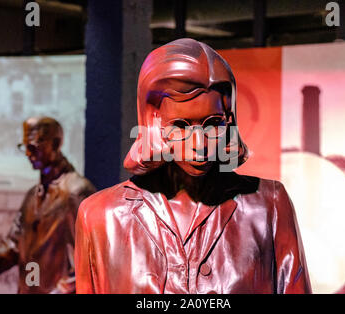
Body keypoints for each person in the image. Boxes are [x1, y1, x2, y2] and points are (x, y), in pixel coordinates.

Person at [75, 38, 311, 294]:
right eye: (181, 126)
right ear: (153, 120)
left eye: (213, 123)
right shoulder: (100, 216)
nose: (200, 145)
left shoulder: (269, 205)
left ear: (229, 120)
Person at [0, 117, 96, 294]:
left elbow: (90, 258)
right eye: (24, 147)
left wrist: (62, 291)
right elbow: (14, 244)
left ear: (56, 144)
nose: (28, 153)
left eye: (34, 146)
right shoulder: (32, 196)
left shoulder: (77, 192)